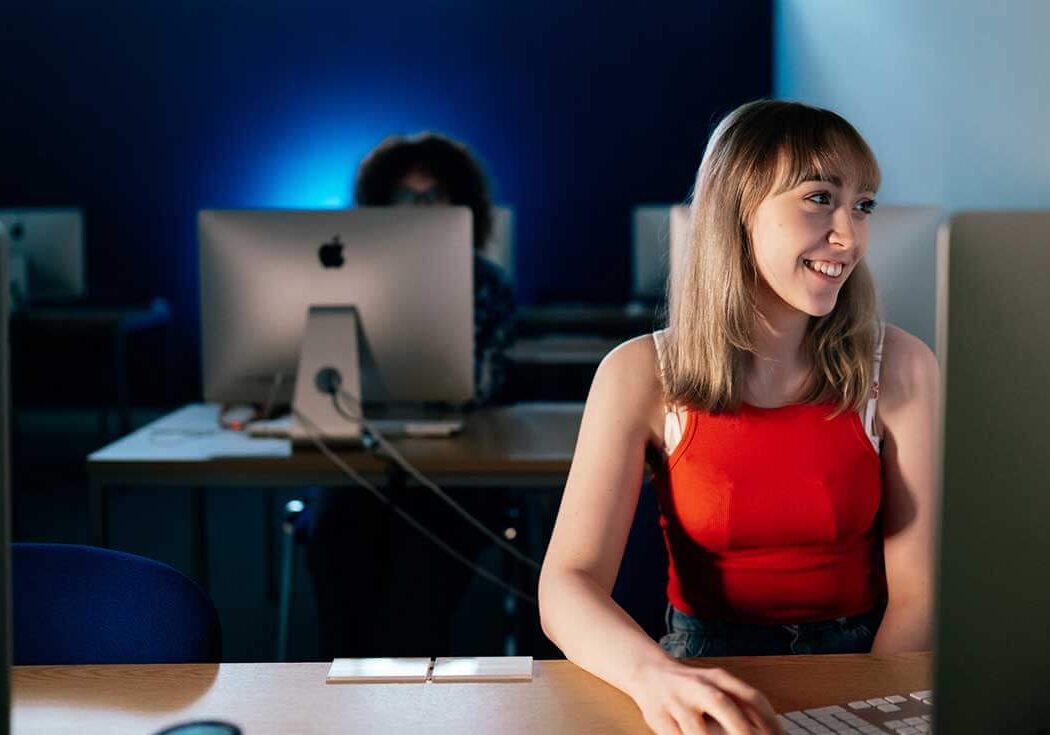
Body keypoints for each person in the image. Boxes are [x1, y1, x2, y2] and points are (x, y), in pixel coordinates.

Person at [538, 100, 939, 735]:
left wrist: (866, 710)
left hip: (866, 660)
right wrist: (652, 676)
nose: (850, 235)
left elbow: (921, 594)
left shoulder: (904, 365)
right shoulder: (639, 373)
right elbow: (568, 583)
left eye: (862, 205)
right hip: (701, 666)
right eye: (819, 199)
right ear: (737, 211)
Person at [306, 132, 518, 659]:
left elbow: (483, 385)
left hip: (456, 470)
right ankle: (346, 691)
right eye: (403, 197)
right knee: (336, 539)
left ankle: (410, 699)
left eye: (432, 196)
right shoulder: (340, 280)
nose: (418, 210)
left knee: (418, 578)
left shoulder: (488, 285)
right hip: (362, 460)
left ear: (461, 204)